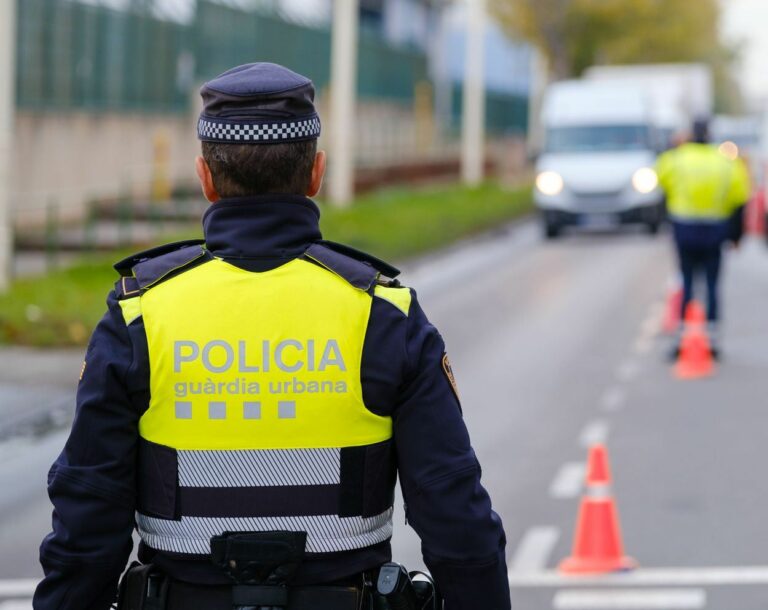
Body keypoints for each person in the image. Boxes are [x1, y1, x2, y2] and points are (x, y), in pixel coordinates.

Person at [33, 63, 510, 610]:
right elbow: (457, 519)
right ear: (316, 174)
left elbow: (86, 527)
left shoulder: (140, 315)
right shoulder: (383, 315)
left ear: (205, 178)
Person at [656, 118, 751, 358]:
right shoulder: (725, 162)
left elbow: (659, 182)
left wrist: (672, 146)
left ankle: (682, 341)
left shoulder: (676, 159)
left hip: (684, 231)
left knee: (687, 284)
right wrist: (737, 236)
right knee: (712, 285)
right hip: (714, 233)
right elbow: (739, 199)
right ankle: (712, 342)